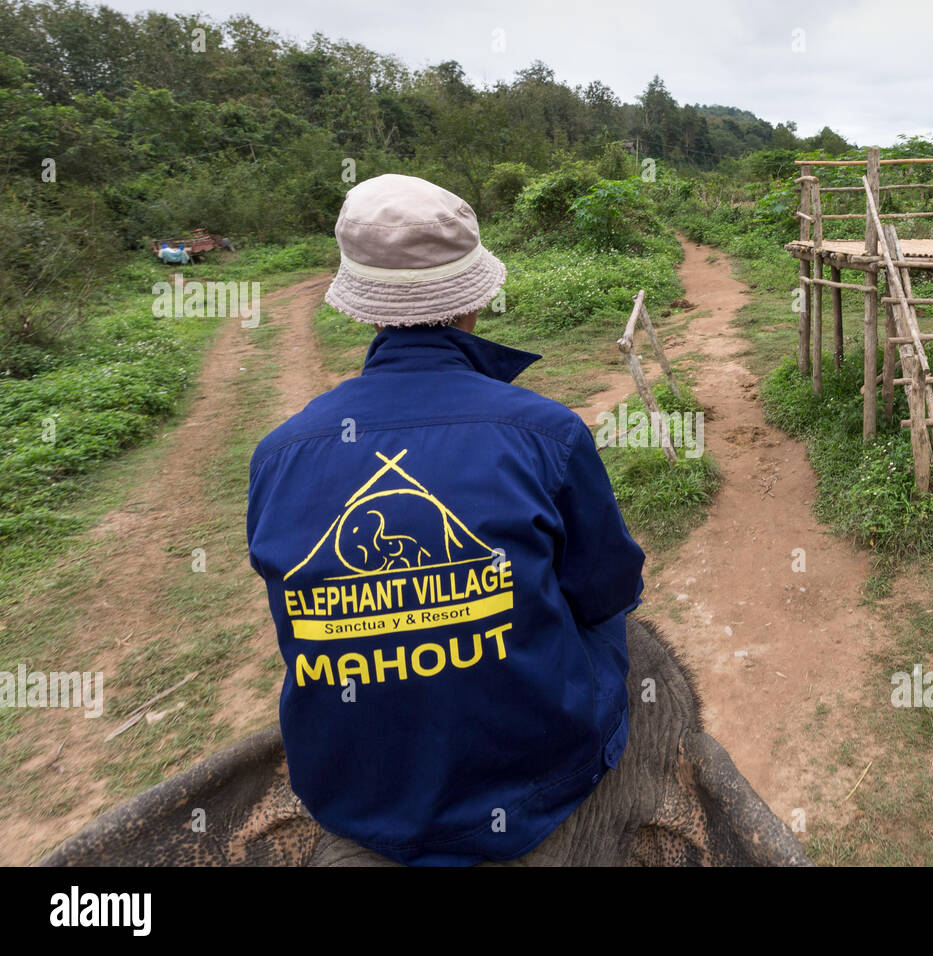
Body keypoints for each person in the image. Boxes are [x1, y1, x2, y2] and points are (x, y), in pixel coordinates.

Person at [246, 174, 645, 866]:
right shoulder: (546, 432)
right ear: (477, 297)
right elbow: (609, 590)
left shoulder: (278, 453)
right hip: (532, 791)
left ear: (363, 308)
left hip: (352, 793)